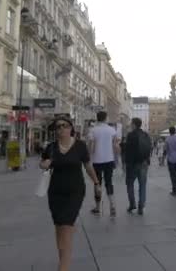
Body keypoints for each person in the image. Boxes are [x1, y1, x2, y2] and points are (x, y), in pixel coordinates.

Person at [41, 116, 99, 271]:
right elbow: (43, 163)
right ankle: (63, 259)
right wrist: (44, 164)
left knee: (66, 226)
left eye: (65, 126)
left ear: (71, 128)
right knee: (59, 226)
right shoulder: (51, 147)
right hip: (55, 192)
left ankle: (63, 267)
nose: (61, 129)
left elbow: (87, 166)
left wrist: (96, 182)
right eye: (58, 127)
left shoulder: (80, 146)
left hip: (75, 191)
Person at [87, 111, 119, 217]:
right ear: (105, 118)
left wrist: (89, 157)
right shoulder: (112, 130)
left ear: (97, 118)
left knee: (97, 183)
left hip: (97, 161)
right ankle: (112, 205)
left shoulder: (93, 130)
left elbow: (91, 147)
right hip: (109, 160)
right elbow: (115, 146)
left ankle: (97, 207)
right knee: (109, 182)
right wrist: (116, 158)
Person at [124, 118, 151, 215]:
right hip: (144, 163)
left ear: (134, 124)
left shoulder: (131, 135)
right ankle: (141, 206)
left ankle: (132, 204)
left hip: (133, 164)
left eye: (131, 123)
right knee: (142, 185)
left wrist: (127, 163)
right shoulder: (146, 135)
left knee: (129, 184)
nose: (130, 125)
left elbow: (128, 150)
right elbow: (149, 148)